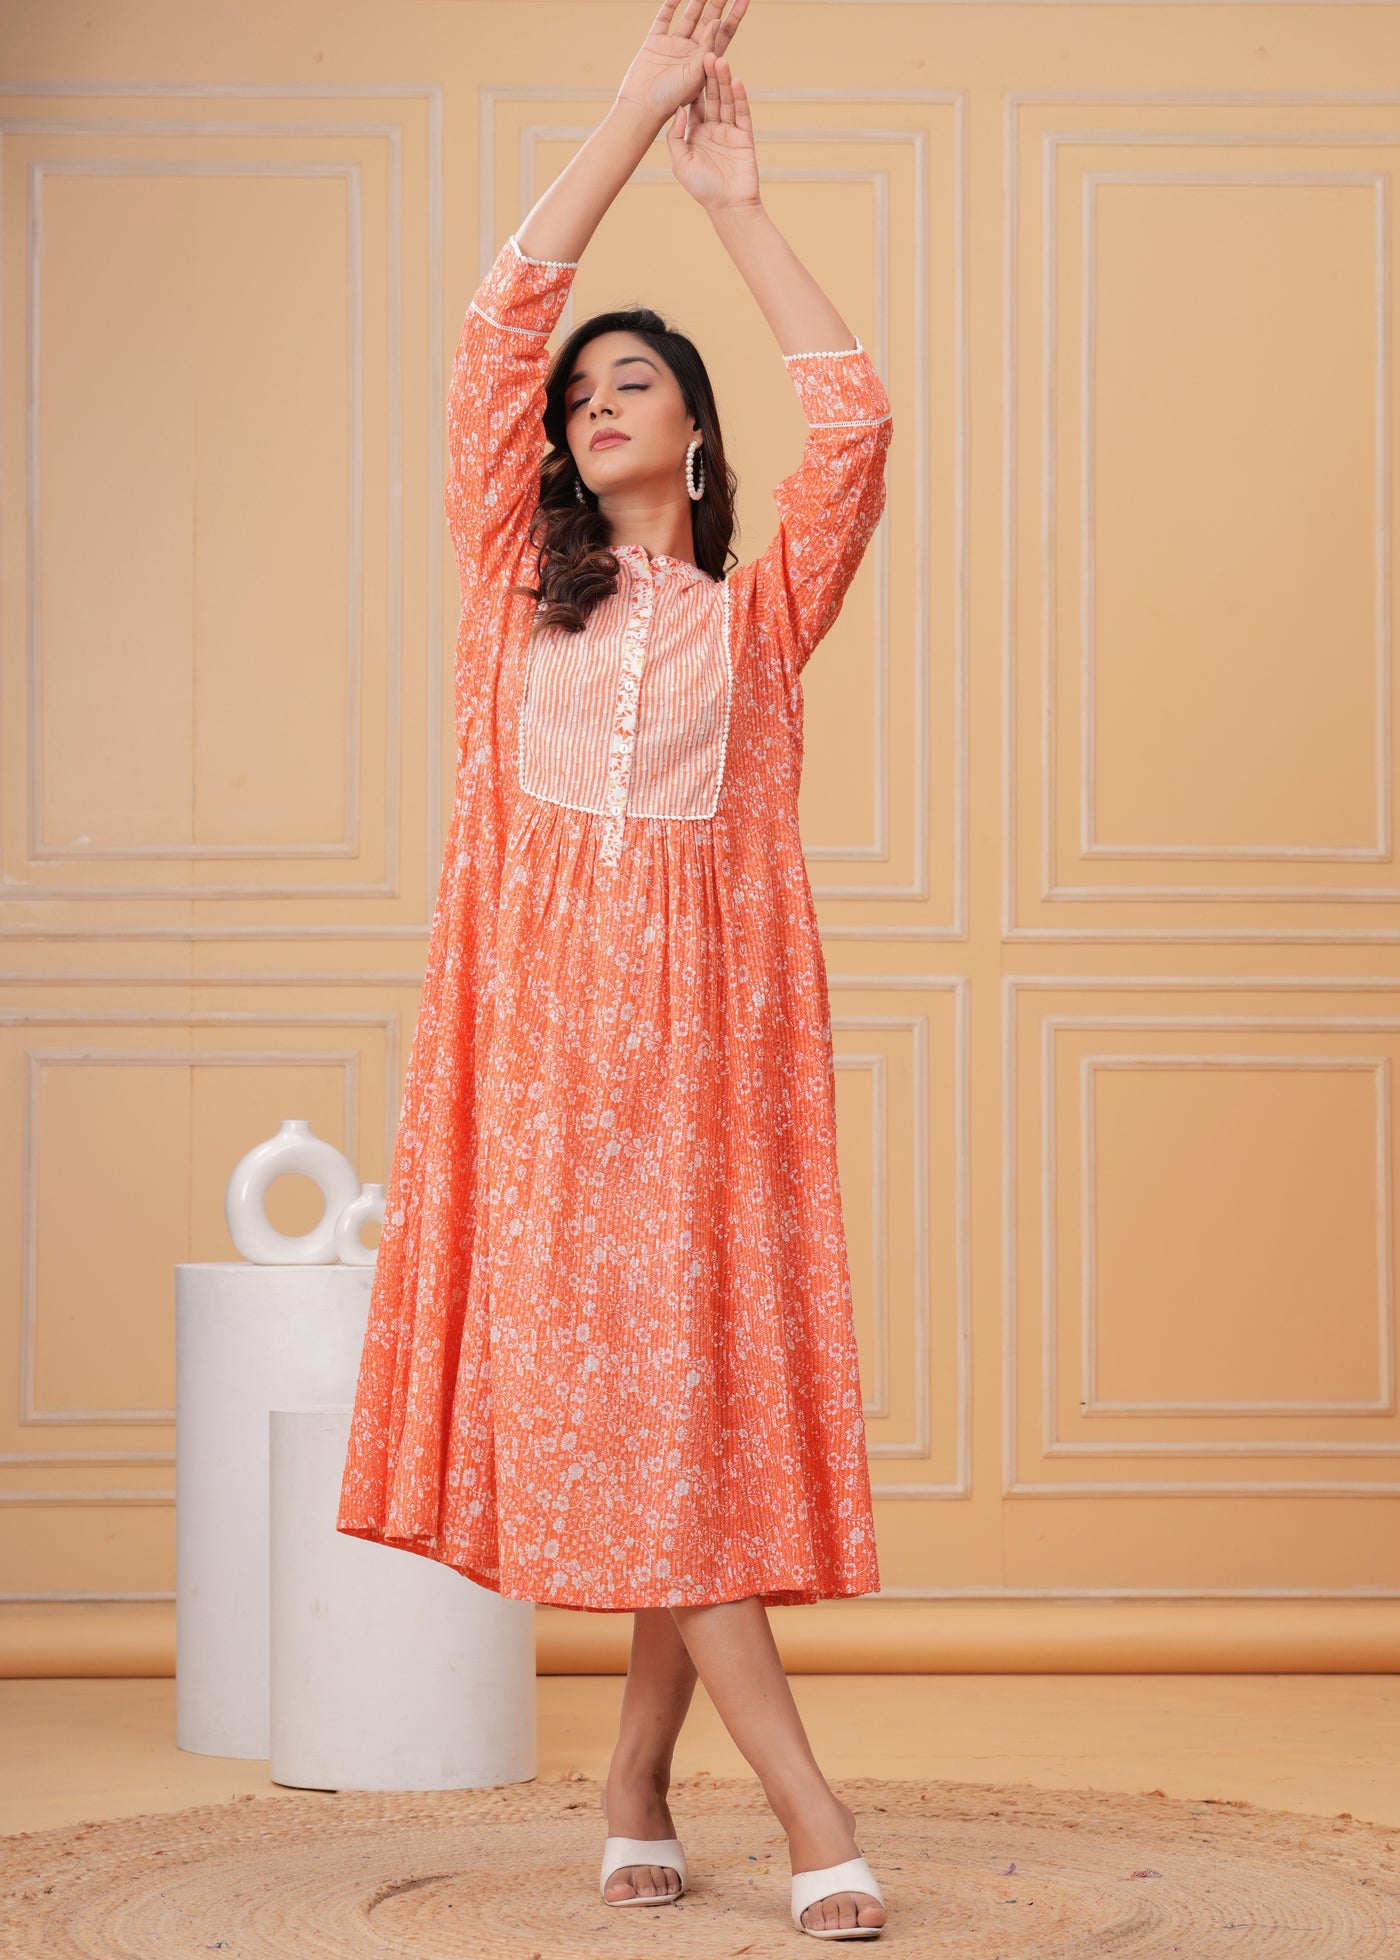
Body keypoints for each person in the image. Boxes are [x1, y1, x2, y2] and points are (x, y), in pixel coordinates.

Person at [337, 0, 893, 1939]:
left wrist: (732, 204)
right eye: (583, 391)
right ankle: (808, 1806)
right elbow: (499, 327)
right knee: (671, 1435)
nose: (592, 398)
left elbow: (857, 424)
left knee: (690, 1431)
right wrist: (635, 105)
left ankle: (640, 1780)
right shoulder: (512, 581)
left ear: (694, 429)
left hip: (709, 1080)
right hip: (542, 1078)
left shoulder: (759, 622)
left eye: (634, 377)